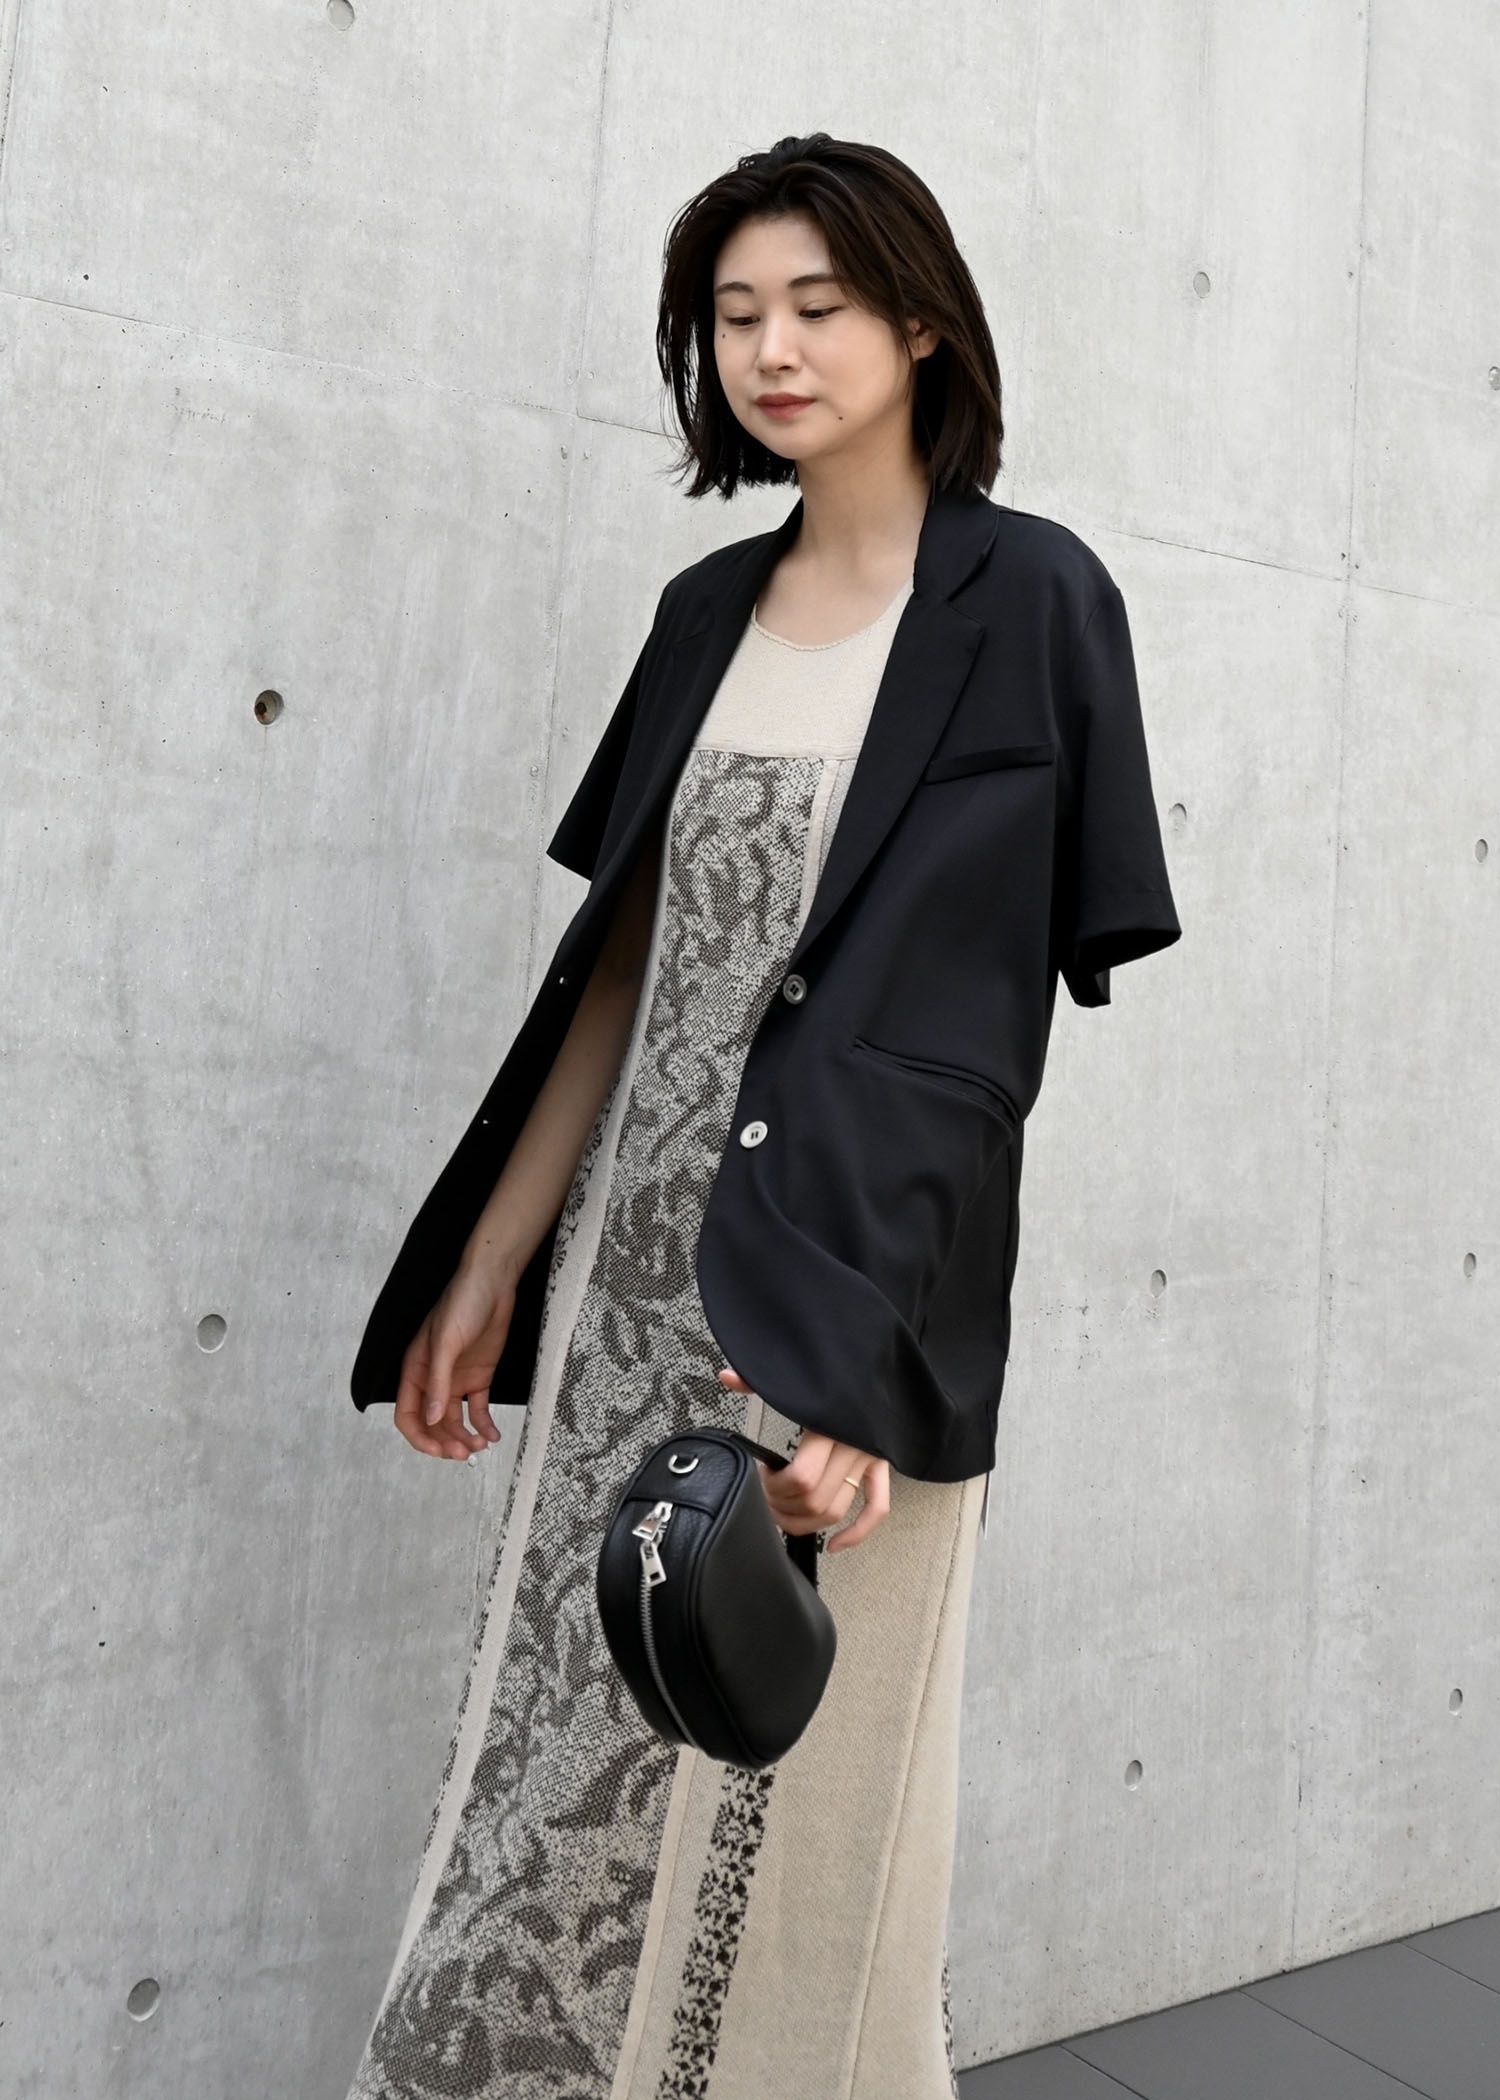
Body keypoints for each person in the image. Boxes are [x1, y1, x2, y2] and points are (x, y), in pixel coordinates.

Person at [346, 133, 1179, 2100]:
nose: (772, 350)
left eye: (817, 305)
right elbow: (620, 979)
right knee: (553, 1786)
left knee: (801, 1833)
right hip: (630, 1285)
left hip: (843, 1292)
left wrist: (863, 1361)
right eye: (733, 317)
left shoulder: (1032, 604)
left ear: (922, 323)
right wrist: (493, 1265)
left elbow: (979, 1048)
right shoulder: (702, 609)